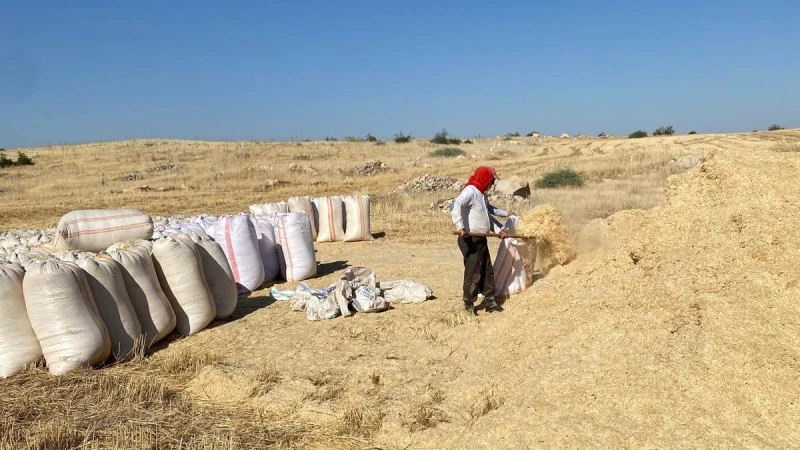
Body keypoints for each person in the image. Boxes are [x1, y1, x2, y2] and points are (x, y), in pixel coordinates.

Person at [450, 166, 513, 315]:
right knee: (474, 272)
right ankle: (469, 304)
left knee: (487, 269)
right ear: (484, 178)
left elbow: (486, 217)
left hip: (481, 238)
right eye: (491, 180)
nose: (491, 184)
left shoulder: (481, 194)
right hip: (469, 239)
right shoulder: (470, 191)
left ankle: (490, 301)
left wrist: (499, 230)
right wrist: (460, 226)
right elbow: (456, 204)